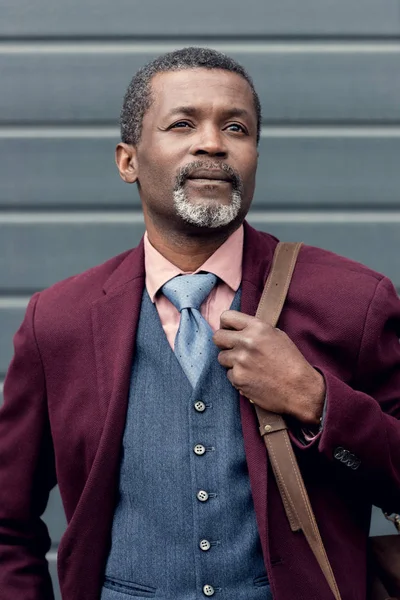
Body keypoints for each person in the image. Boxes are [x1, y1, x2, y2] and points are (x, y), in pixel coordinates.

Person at [0, 46, 399, 600]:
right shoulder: (58, 321)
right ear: (128, 160)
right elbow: (6, 521)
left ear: (255, 155)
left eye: (236, 127)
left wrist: (318, 401)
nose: (213, 142)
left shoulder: (353, 301)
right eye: (183, 123)